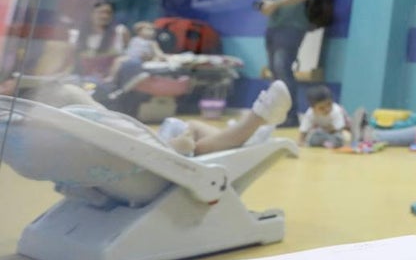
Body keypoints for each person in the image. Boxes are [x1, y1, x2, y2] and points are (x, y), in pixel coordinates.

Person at [16, 78, 292, 157]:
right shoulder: (99, 125)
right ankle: (257, 119)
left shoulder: (75, 137)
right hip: (163, 156)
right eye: (88, 101)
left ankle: (247, 136)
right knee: (198, 143)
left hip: (150, 147)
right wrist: (178, 146)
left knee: (194, 124)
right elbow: (140, 151)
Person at [259, 0, 316, 127]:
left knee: (283, 68)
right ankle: (279, 114)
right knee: (275, 72)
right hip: (274, 25)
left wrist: (275, 4)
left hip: (292, 25)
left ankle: (290, 116)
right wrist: (267, 5)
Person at [298, 84, 363, 148]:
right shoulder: (310, 113)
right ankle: (326, 142)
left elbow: (340, 128)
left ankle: (358, 127)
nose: (327, 109)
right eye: (322, 108)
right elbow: (304, 129)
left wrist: (332, 130)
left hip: (340, 127)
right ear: (313, 108)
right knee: (313, 139)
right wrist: (301, 141)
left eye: (329, 104)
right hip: (323, 130)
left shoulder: (336, 111)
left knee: (339, 138)